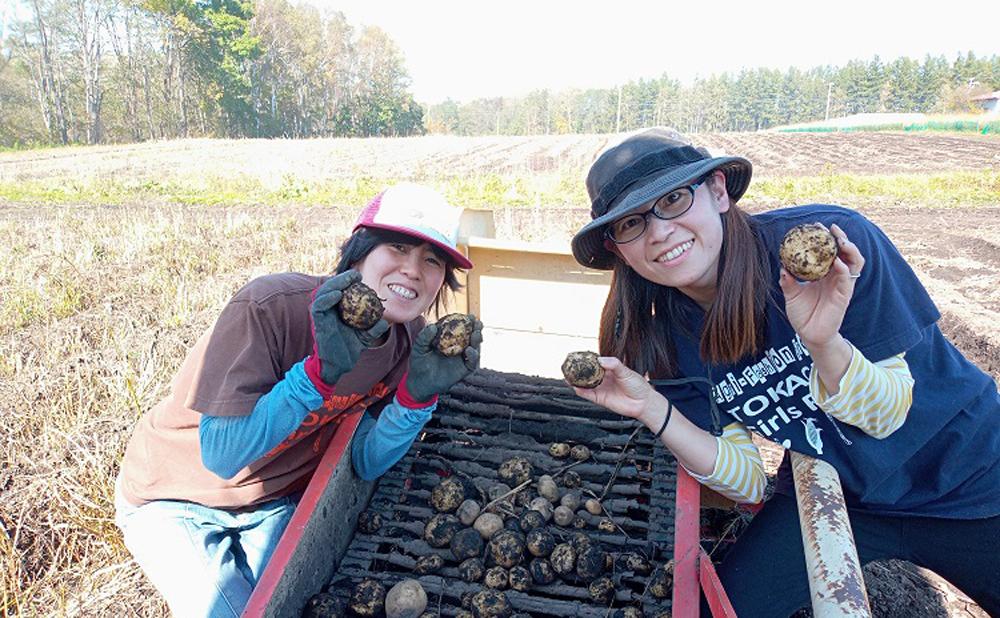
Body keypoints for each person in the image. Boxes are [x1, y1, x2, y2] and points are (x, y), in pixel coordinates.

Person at [568, 127, 1000, 616]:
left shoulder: (832, 250)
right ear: (617, 248)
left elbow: (886, 417)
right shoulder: (664, 336)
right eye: (630, 224)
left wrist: (824, 343)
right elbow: (749, 481)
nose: (659, 231)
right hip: (840, 489)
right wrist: (653, 407)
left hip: (969, 475)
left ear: (717, 191)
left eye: (672, 199)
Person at [115, 182, 482, 617]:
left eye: (432, 260)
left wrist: (416, 400)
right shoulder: (270, 306)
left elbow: (364, 461)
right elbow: (222, 456)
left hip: (276, 501)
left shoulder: (409, 342)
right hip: (176, 497)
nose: (413, 270)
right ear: (358, 252)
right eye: (397, 248)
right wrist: (315, 377)